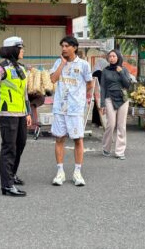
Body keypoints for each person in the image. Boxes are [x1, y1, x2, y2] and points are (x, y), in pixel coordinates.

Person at [0, 36, 31, 197]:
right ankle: (7, 186)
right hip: (8, 113)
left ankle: (11, 174)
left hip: (21, 113)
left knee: (21, 144)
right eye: (21, 48)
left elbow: (24, 94)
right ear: (14, 50)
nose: (23, 50)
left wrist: (28, 112)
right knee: (9, 148)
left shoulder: (22, 68)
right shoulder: (2, 68)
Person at [49, 36, 94, 187]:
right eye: (62, 46)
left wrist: (81, 98)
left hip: (75, 109)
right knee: (59, 139)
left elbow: (89, 83)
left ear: (74, 47)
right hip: (59, 108)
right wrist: (62, 64)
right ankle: (60, 172)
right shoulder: (58, 62)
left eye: (67, 46)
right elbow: (53, 80)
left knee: (78, 139)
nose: (63, 48)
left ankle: (77, 172)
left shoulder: (83, 65)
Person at [99, 50, 131, 160]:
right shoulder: (105, 71)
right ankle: (106, 147)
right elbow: (102, 87)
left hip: (123, 99)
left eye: (114, 56)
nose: (111, 58)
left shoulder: (124, 69)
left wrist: (121, 72)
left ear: (118, 57)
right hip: (109, 98)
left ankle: (120, 151)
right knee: (111, 124)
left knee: (121, 125)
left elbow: (128, 85)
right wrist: (102, 104)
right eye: (110, 56)